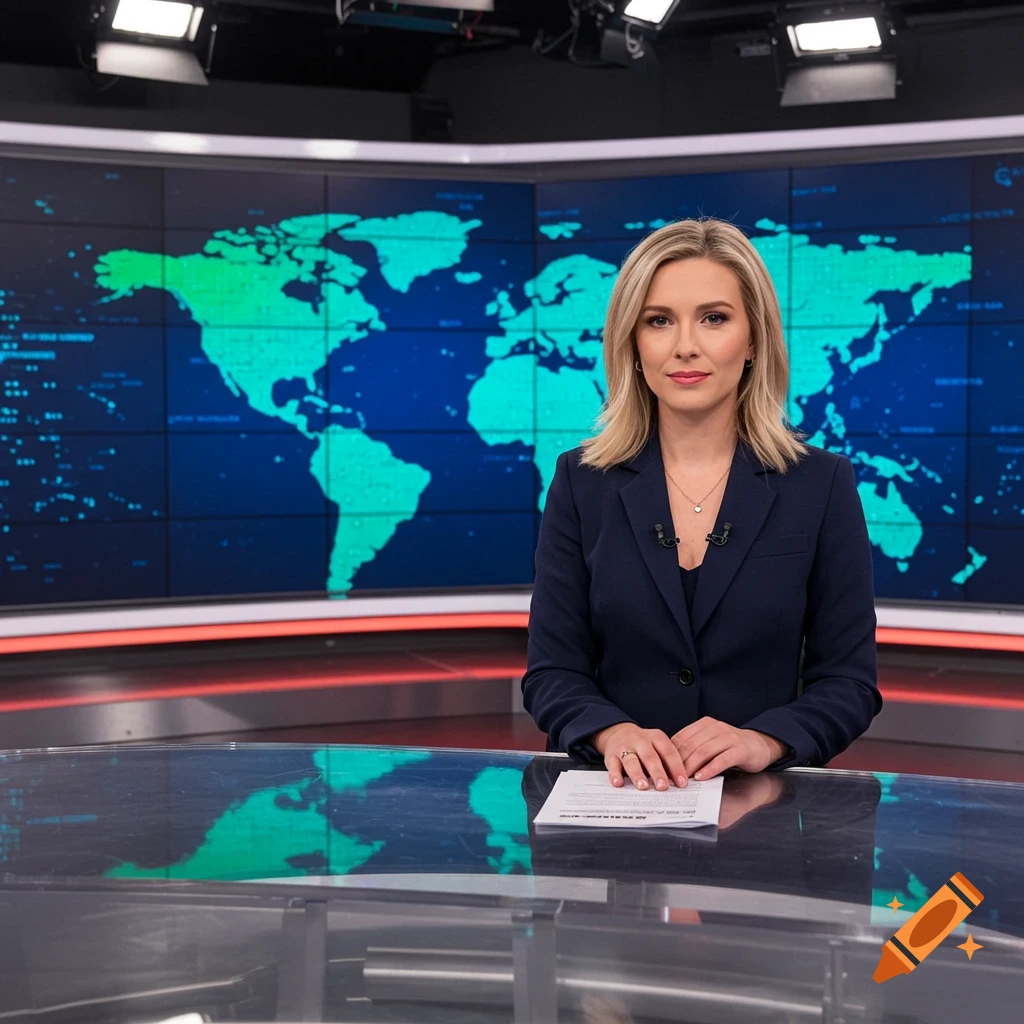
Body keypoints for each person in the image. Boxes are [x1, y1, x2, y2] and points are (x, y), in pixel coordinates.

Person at [521, 218, 881, 791]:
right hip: (612, 803)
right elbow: (552, 672)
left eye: (714, 318)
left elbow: (849, 683)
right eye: (659, 320)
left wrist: (764, 740)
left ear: (754, 338)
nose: (685, 345)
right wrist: (612, 733)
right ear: (632, 344)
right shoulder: (581, 481)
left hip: (759, 806)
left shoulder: (822, 484)